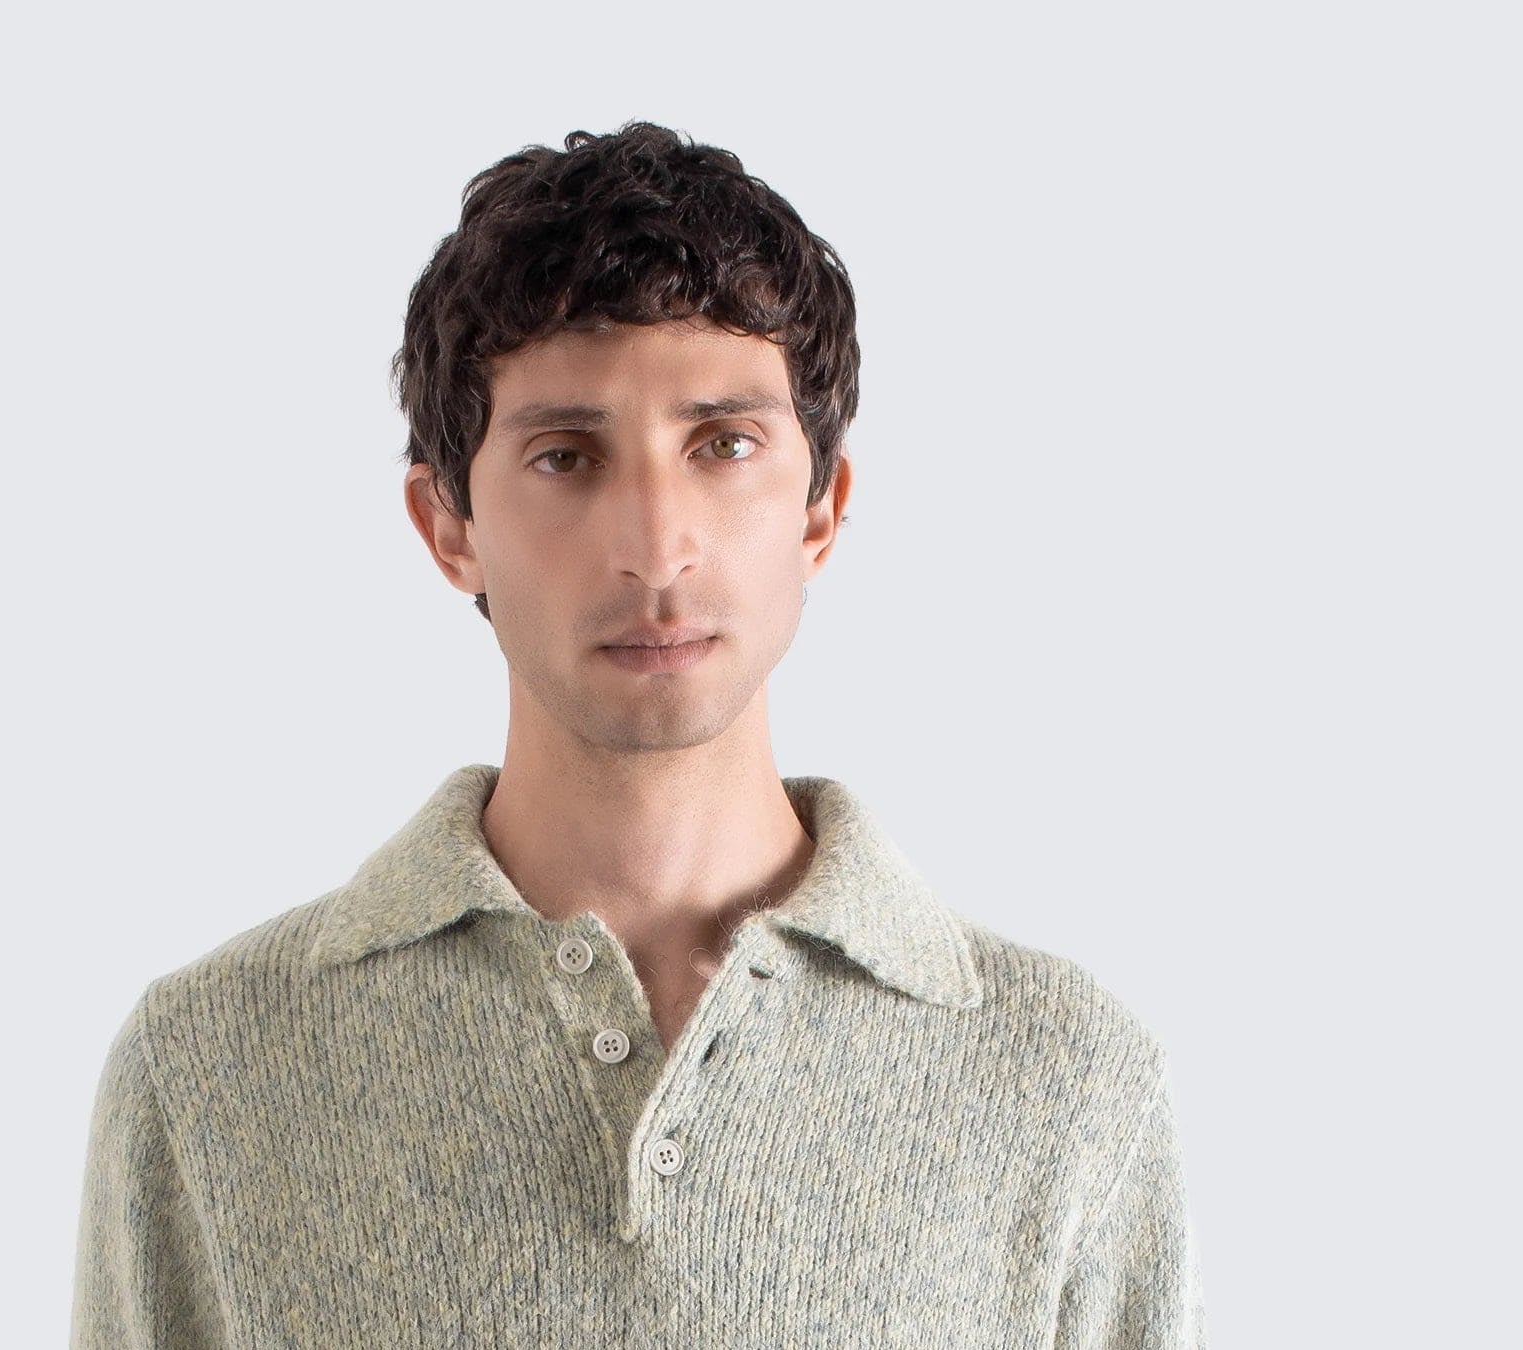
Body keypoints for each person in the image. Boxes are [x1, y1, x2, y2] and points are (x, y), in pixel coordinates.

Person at [69, 121, 1205, 1349]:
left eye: (724, 446)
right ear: (449, 526)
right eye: (567, 456)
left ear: (820, 510)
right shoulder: (208, 1070)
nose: (657, 548)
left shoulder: (1068, 1082)